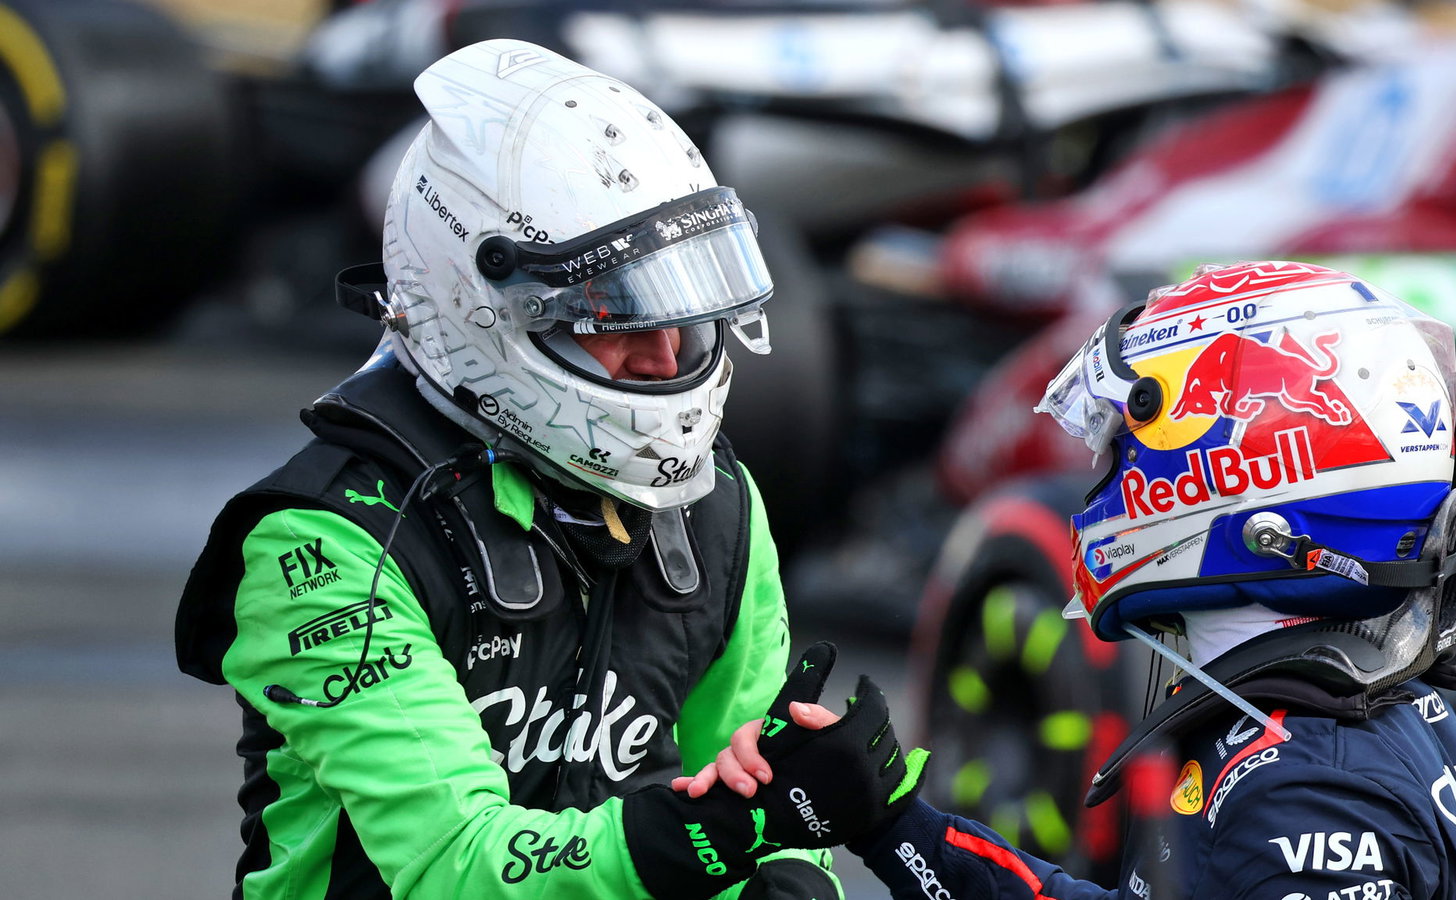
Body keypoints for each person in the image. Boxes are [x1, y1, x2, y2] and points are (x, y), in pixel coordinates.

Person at [174, 39, 913, 900]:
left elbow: (754, 788)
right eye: (618, 311)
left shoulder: (719, 504)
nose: (664, 354)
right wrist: (723, 832)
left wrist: (792, 854)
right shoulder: (323, 545)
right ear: (478, 306)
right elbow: (453, 867)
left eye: (683, 305)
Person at [681, 261, 1456, 899]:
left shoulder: (1304, 799)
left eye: (1120, 449)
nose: (1100, 484)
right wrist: (890, 822)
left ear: (1241, 475)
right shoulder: (1359, 706)